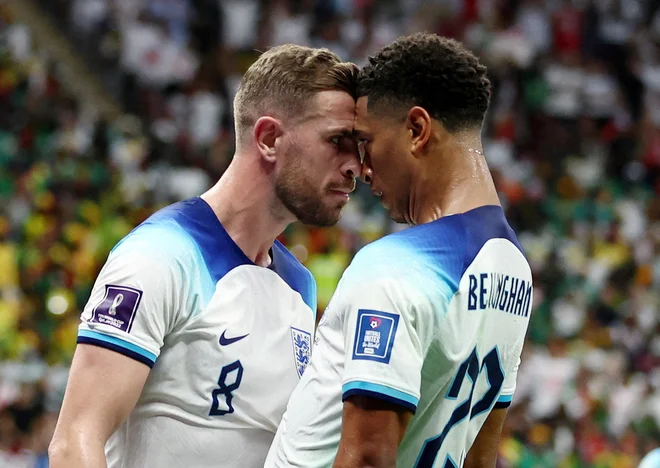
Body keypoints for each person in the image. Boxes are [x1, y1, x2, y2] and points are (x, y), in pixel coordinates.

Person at [48, 44, 361, 468]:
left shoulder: (299, 284)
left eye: (358, 146)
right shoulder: (160, 257)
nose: (354, 165)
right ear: (269, 138)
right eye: (338, 141)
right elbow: (74, 442)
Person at [265, 33, 533, 468]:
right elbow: (479, 457)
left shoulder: (394, 268)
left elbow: (369, 456)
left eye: (367, 142)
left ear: (417, 129)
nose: (362, 169)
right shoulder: (514, 268)